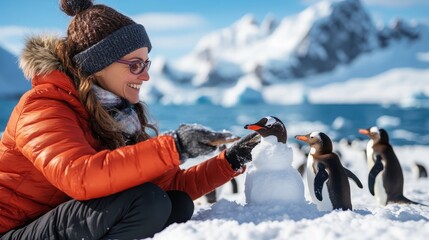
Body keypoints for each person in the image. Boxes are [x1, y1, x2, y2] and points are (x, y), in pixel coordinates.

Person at [0, 0, 261, 239]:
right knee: (147, 202)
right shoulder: (43, 107)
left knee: (176, 202)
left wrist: (228, 162)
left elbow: (168, 184)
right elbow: (79, 176)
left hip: (53, 221)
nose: (145, 76)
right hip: (12, 231)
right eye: (135, 65)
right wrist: (174, 146)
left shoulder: (116, 114)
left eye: (146, 64)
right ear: (97, 65)